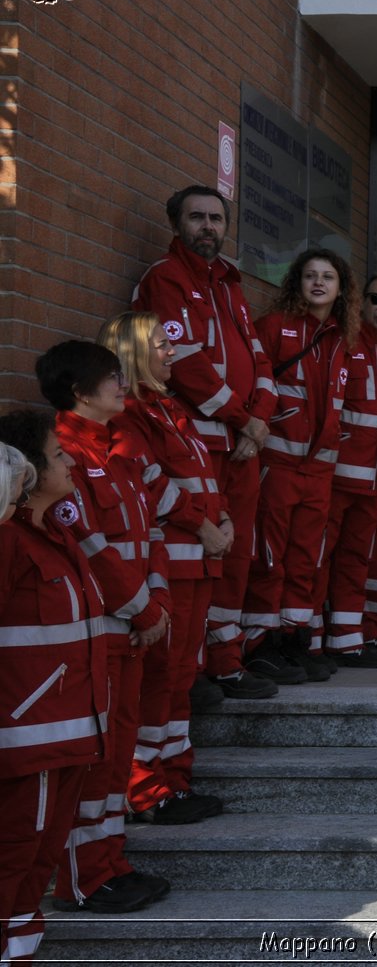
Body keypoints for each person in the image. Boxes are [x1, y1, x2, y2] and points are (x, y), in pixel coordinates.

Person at [34, 343, 177, 913]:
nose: (123, 384)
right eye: (112, 377)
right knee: (96, 766)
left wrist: (157, 604)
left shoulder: (118, 452)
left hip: (134, 632)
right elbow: (92, 552)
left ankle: (111, 863)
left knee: (117, 759)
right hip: (104, 636)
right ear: (79, 392)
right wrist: (147, 612)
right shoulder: (64, 454)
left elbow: (153, 535)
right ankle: (85, 879)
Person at [132, 185, 278, 700]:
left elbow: (259, 359)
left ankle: (226, 660)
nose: (208, 227)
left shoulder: (229, 284)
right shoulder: (165, 279)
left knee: (235, 555)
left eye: (216, 218)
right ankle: (189, 671)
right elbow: (186, 364)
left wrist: (259, 419)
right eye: (197, 217)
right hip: (196, 444)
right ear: (176, 223)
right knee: (195, 555)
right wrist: (244, 419)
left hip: (242, 444)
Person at [99, 312, 229, 825]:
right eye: (161, 344)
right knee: (159, 680)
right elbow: (151, 484)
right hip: (170, 564)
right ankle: (147, 789)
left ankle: (174, 777)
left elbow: (201, 475)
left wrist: (221, 518)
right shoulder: (128, 414)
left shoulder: (170, 408)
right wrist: (204, 524)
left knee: (180, 676)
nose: (171, 352)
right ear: (133, 352)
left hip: (198, 561)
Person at [0, 422, 110, 956]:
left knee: (40, 850)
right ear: (28, 471)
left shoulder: (57, 536)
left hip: (71, 729)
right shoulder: (8, 540)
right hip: (27, 737)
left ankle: (20, 938)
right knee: (16, 847)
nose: (70, 462)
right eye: (58, 454)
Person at [240, 249, 353, 684]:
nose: (319, 283)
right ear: (297, 283)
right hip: (279, 462)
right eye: (311, 275)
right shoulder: (273, 327)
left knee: (307, 558)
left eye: (329, 276)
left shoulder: (344, 339)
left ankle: (293, 639)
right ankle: (259, 645)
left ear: (341, 289)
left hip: (319, 470)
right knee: (270, 555)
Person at [319, 275, 377, 667]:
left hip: (376, 481)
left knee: (359, 562)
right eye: (376, 299)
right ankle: (306, 643)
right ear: (361, 302)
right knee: (319, 560)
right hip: (336, 477)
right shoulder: (343, 341)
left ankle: (347, 641)